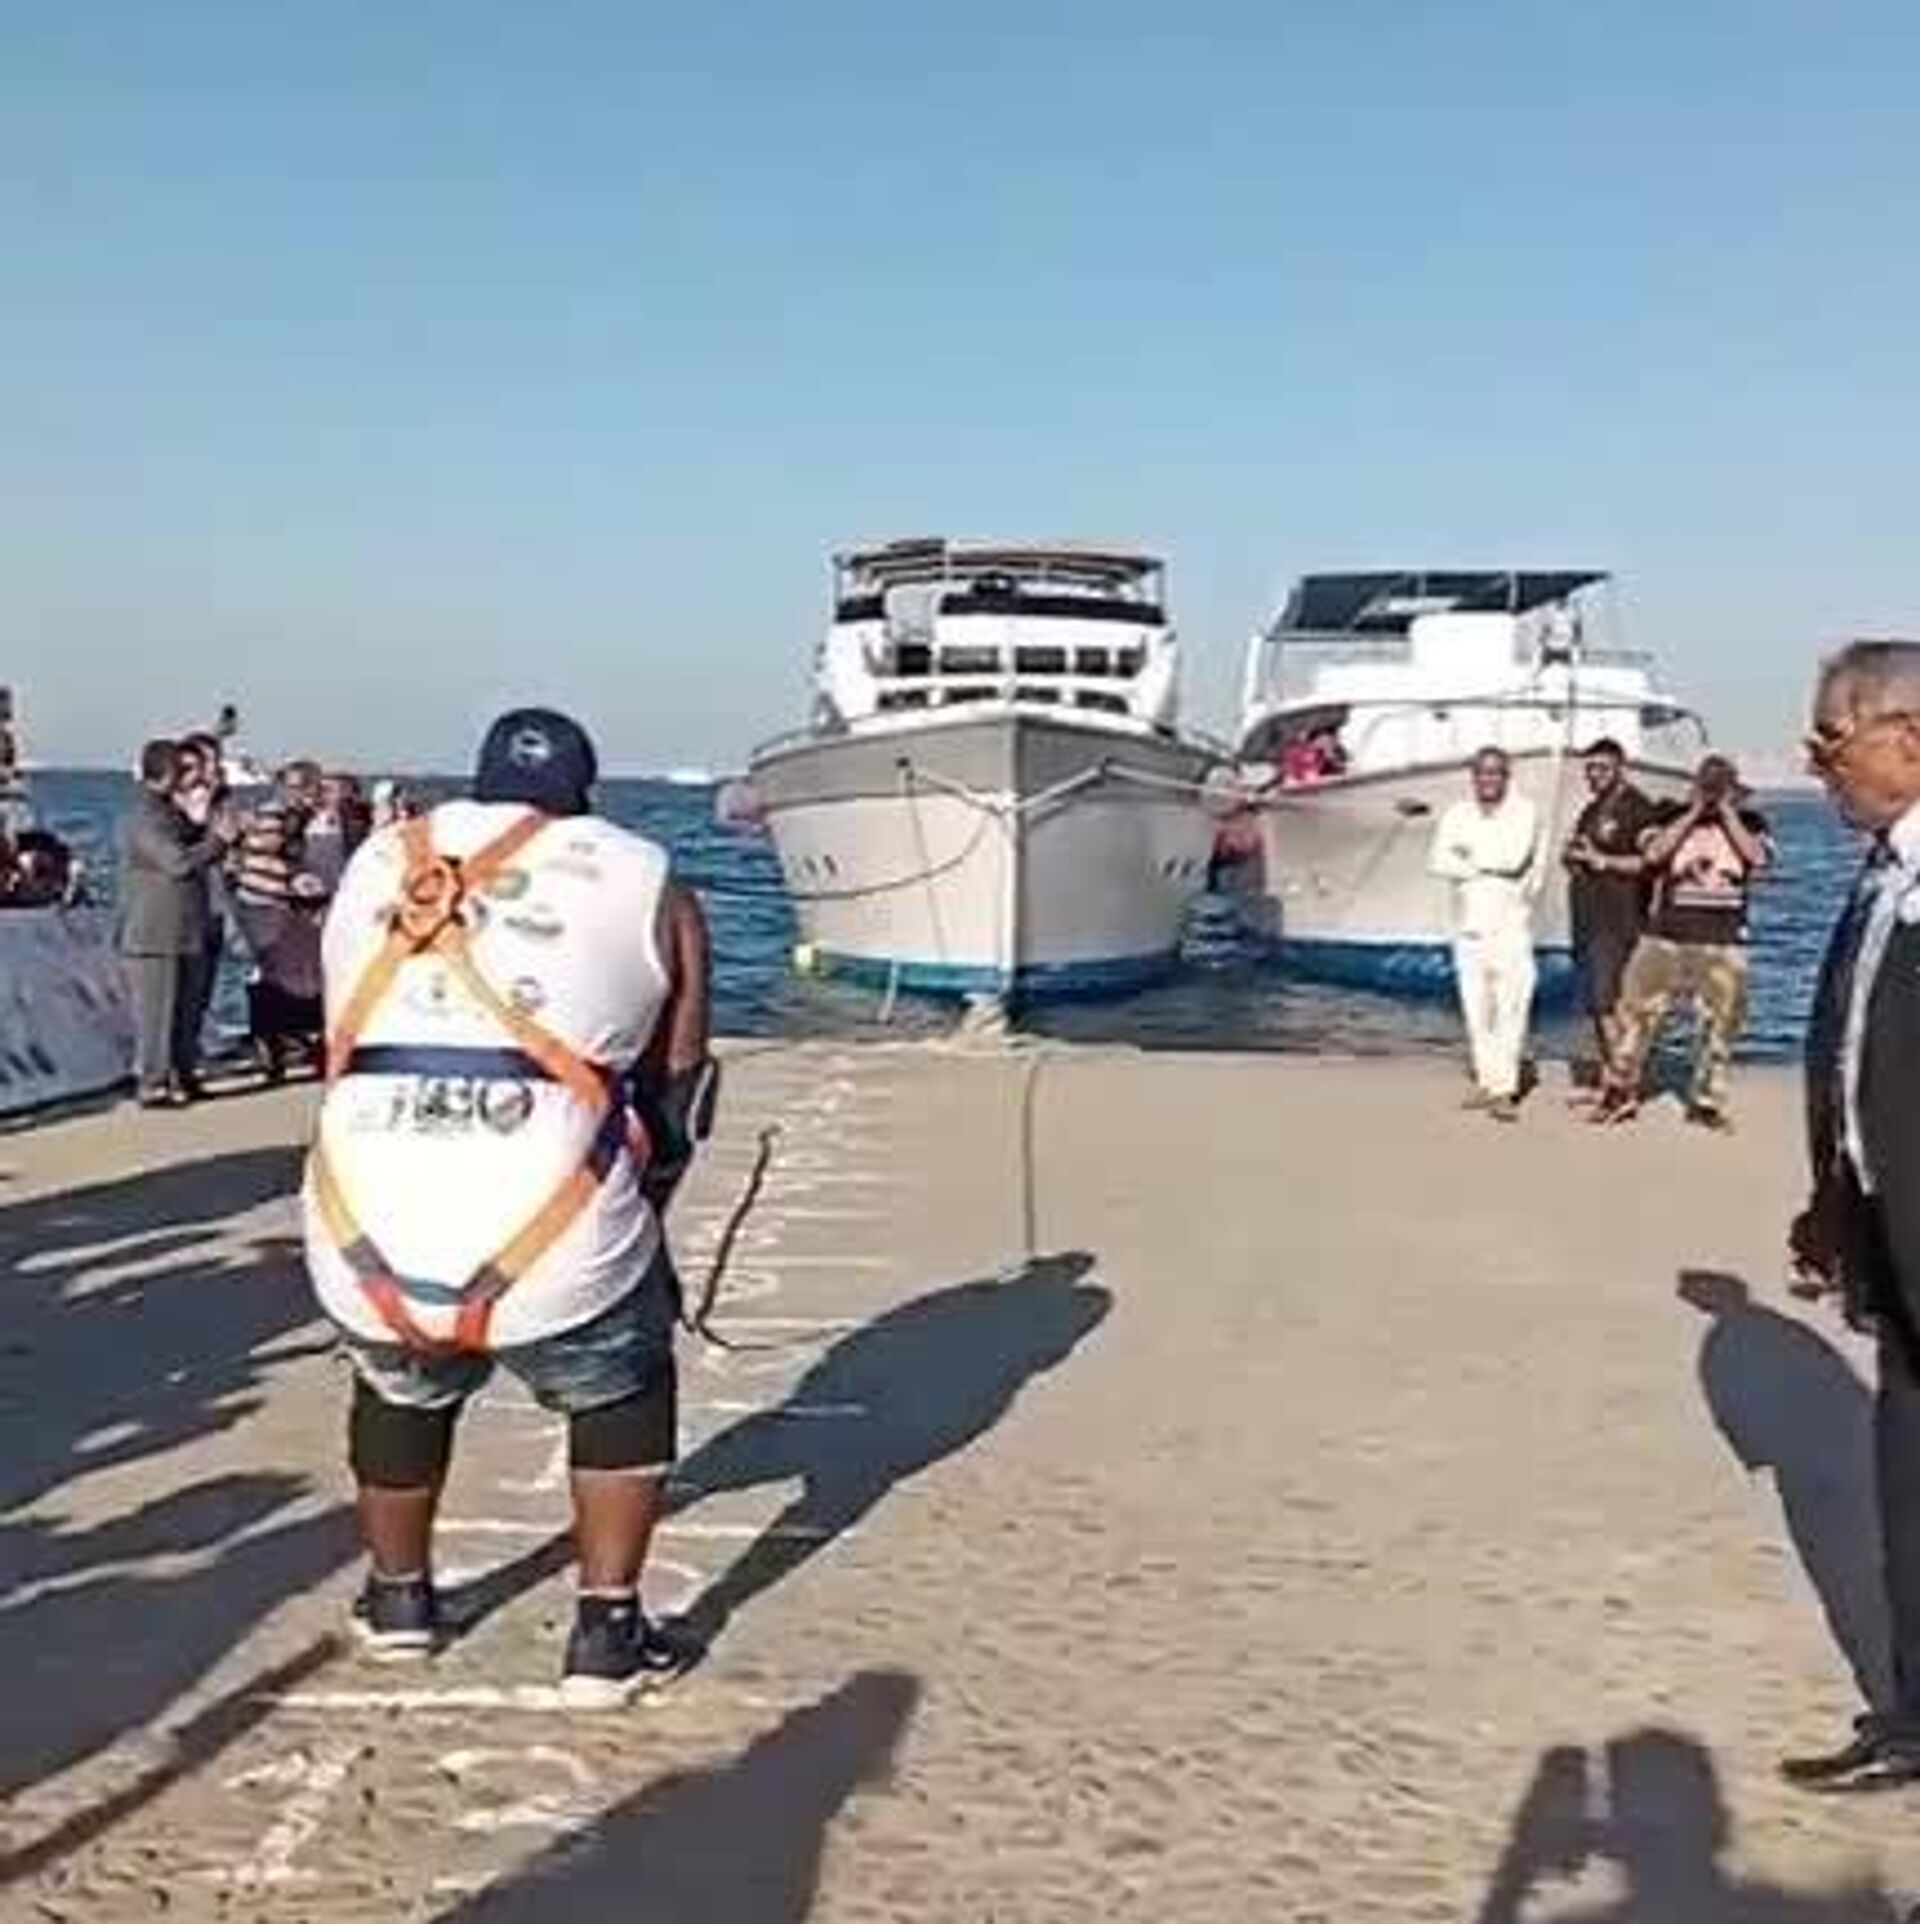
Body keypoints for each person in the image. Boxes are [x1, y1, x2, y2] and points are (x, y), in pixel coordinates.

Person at [302, 706, 715, 1701]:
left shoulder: (378, 860)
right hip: (551, 1218)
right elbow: (680, 1082)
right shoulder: (646, 873)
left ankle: (398, 1599)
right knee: (621, 1385)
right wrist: (650, 1197)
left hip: (362, 1214)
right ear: (583, 798)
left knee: (397, 1384)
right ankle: (607, 1632)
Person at [1783, 638, 1920, 1792]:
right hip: (1890, 1239)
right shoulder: (1885, 872)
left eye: (1831, 740)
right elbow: (1858, 1043)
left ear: (1910, 737)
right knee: (1907, 1497)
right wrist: (1834, 1191)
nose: (1814, 762)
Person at [1591, 753, 1773, 1130]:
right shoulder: (1669, 815)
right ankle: (1619, 1091)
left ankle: (1706, 1102)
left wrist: (1726, 813)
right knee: (1635, 1017)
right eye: (1707, 783)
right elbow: (1654, 853)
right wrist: (1692, 813)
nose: (1712, 792)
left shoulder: (1751, 822)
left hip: (1723, 941)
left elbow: (1757, 859)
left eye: (1720, 785)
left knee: (1720, 1024)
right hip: (1665, 936)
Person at [117, 739, 232, 1107]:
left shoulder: (170, 812)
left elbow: (192, 843)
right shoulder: (144, 817)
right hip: (154, 933)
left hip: (186, 928)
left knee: (187, 1010)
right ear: (165, 773)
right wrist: (218, 842)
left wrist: (213, 822)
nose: (188, 779)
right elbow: (177, 862)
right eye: (182, 772)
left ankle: (183, 1073)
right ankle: (153, 1082)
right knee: (158, 1014)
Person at [1429, 746, 1540, 1121]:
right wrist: (1482, 865)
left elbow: (1514, 858)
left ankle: (1505, 1089)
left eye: (1495, 772)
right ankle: (1487, 1081)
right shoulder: (1457, 813)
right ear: (1473, 776)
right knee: (1476, 1011)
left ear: (1506, 776)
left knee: (1512, 1008)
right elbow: (1438, 860)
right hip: (1468, 927)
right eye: (1482, 773)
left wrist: (1468, 856)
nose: (1488, 779)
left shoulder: (1525, 811)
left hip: (1510, 927)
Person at [1562, 738, 1658, 1090]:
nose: (1595, 775)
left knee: (1609, 1005)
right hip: (1588, 919)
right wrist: (1573, 858)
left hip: (1618, 921)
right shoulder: (1592, 810)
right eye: (1590, 769)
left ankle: (1622, 1085)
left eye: (1602, 768)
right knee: (1596, 1004)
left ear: (1620, 768)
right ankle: (1610, 1079)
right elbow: (1584, 857)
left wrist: (1603, 861)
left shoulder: (1637, 808)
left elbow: (1651, 860)